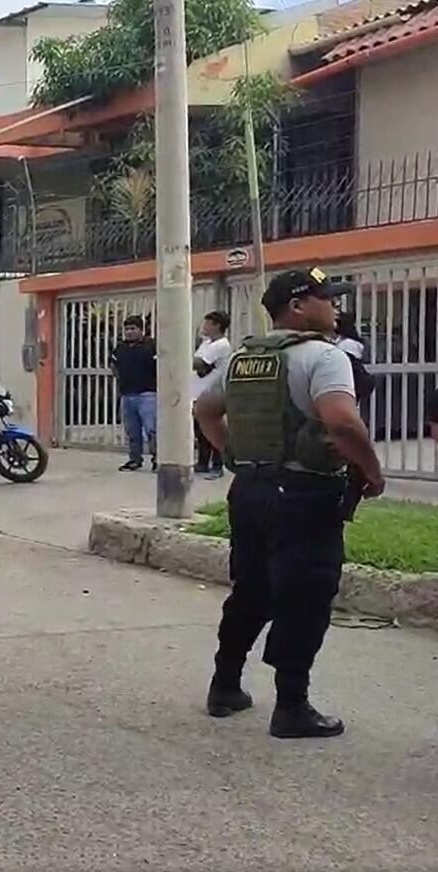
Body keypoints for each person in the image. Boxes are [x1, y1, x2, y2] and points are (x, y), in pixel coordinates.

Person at [194, 269, 385, 739]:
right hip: (304, 495)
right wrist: (373, 472)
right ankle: (292, 707)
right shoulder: (324, 356)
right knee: (305, 595)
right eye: (325, 298)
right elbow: (342, 422)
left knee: (252, 591)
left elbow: (204, 410)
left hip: (251, 491)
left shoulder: (244, 356)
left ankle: (225, 687)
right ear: (298, 307)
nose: (335, 306)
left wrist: (238, 456)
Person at [110, 315, 157, 471]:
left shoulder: (151, 346)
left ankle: (158, 459)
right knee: (132, 430)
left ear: (141, 330)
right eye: (127, 329)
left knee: (152, 429)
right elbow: (113, 365)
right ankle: (134, 459)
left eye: (133, 329)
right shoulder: (121, 348)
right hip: (127, 394)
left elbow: (159, 366)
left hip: (147, 394)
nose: (129, 332)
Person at [193, 310, 233, 479]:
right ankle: (203, 462)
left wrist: (176, 356)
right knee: (200, 431)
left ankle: (218, 465)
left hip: (214, 391)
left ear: (217, 325)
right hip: (199, 391)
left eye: (207, 323)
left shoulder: (221, 345)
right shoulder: (207, 343)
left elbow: (200, 363)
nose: (204, 327)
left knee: (212, 430)